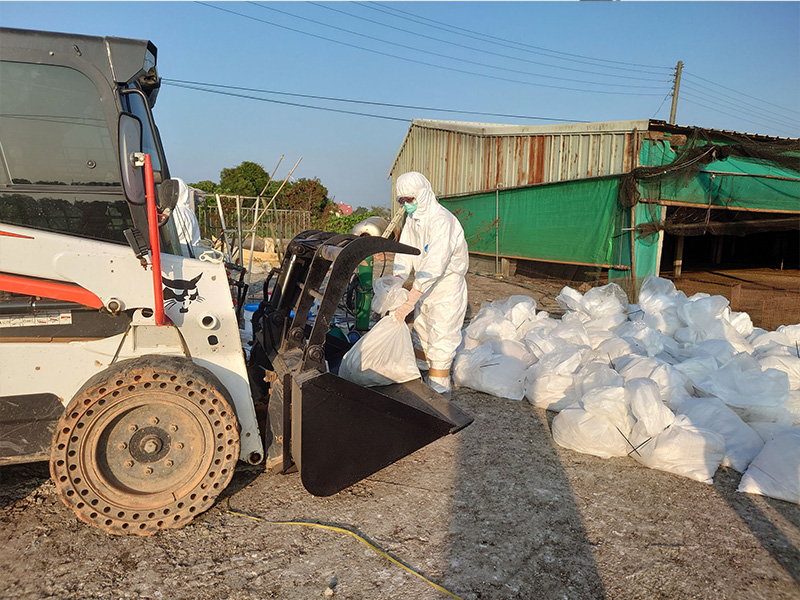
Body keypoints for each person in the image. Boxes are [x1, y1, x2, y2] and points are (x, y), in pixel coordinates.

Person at [392, 171, 469, 397]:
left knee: (442, 338)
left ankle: (439, 393)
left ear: (424, 194)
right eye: (403, 200)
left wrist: (413, 294)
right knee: (422, 333)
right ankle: (421, 383)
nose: (407, 205)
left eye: (411, 199)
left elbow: (436, 261)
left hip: (446, 288)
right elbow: (405, 252)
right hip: (426, 289)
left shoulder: (441, 221)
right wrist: (396, 280)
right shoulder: (413, 221)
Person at [171, 178, 201, 257]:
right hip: (193, 253)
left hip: (179, 255)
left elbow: (171, 238)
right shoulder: (189, 211)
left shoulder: (175, 212)